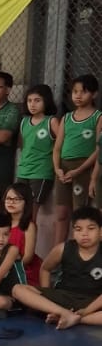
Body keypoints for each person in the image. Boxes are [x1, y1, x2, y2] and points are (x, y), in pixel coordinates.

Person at [11, 207, 102, 328]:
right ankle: (63, 313)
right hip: (62, 297)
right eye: (78, 229)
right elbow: (45, 269)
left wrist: (86, 311)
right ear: (73, 232)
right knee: (17, 289)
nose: (84, 233)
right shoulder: (63, 248)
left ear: (101, 231)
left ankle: (76, 319)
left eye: (90, 228)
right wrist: (46, 295)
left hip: (93, 302)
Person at [52, 74, 100, 242]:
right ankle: (59, 251)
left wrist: (79, 170)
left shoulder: (98, 117)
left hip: (84, 167)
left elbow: (98, 149)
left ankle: (79, 250)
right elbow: (57, 148)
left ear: (94, 94)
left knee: (79, 212)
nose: (78, 96)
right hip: (64, 169)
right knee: (61, 213)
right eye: (75, 92)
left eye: (83, 92)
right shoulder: (66, 118)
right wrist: (57, 168)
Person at [15, 83, 59, 222]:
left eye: (37, 100)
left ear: (46, 101)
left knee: (31, 215)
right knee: (18, 212)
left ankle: (29, 244)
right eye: (29, 101)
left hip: (41, 173)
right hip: (23, 171)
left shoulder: (51, 121)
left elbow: (60, 146)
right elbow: (24, 146)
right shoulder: (24, 122)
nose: (32, 104)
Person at [3, 182, 40, 285]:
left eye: (16, 199)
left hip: (23, 270)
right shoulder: (2, 223)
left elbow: (28, 257)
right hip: (2, 267)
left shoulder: (29, 226)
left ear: (26, 202)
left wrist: (11, 270)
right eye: (8, 198)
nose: (11, 202)